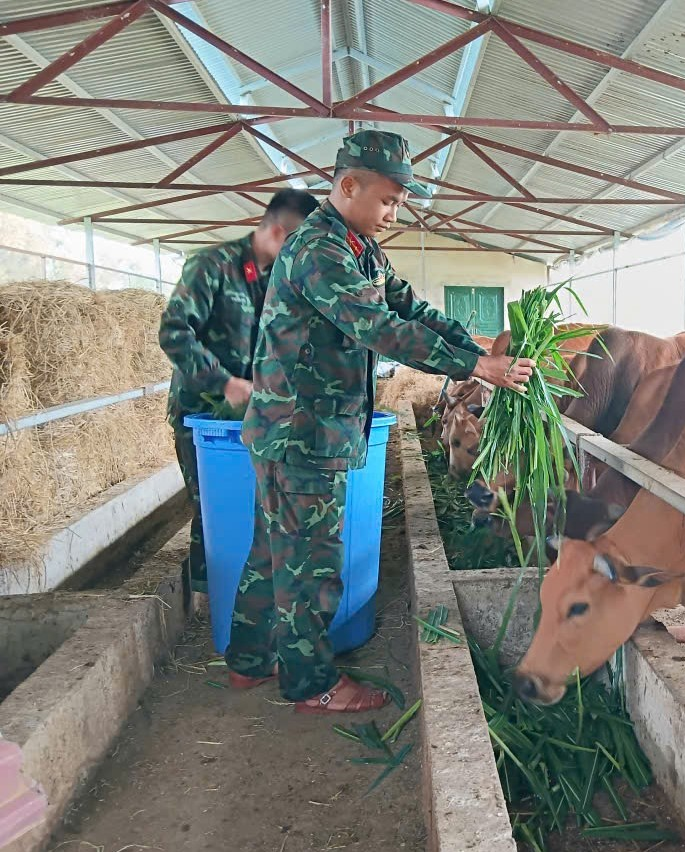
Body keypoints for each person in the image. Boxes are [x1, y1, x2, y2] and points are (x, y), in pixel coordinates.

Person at [225, 129, 534, 713]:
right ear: (348, 185)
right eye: (388, 200)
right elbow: (377, 327)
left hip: (299, 430)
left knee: (273, 550)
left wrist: (480, 343)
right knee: (309, 562)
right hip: (303, 434)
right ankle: (313, 686)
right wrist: (476, 366)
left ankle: (248, 662)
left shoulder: (361, 248)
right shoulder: (320, 249)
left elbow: (409, 310)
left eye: (399, 201)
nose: (395, 212)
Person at [159, 189, 320, 601]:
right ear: (280, 233)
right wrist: (223, 383)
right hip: (205, 415)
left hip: (257, 416)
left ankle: (251, 600)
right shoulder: (211, 266)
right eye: (300, 245)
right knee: (211, 506)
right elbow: (174, 333)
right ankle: (210, 597)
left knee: (261, 505)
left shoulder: (278, 283)